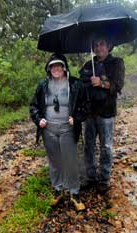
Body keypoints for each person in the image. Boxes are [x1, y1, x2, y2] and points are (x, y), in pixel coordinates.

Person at [30, 53, 88, 211]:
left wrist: (76, 117)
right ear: (49, 69)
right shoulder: (43, 85)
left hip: (67, 128)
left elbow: (85, 105)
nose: (56, 68)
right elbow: (34, 106)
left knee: (70, 160)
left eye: (59, 65)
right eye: (52, 66)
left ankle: (74, 193)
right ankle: (58, 190)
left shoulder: (75, 84)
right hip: (48, 130)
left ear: (64, 67)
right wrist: (38, 119)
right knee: (55, 161)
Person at [79, 37, 125, 193]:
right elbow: (82, 86)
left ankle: (104, 179)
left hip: (106, 112)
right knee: (88, 146)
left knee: (106, 147)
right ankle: (90, 176)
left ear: (109, 45)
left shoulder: (117, 63)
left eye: (102, 44)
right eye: (96, 45)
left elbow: (118, 86)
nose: (98, 48)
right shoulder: (87, 65)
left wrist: (102, 83)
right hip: (90, 113)